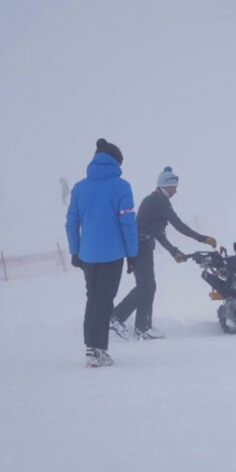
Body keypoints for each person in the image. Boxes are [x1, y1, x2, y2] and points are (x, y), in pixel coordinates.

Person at [111, 166, 217, 340]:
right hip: (140, 247)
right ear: (166, 185)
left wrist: (174, 252)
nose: (176, 191)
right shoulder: (159, 201)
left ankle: (142, 327)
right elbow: (178, 224)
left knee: (148, 286)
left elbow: (159, 233)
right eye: (174, 187)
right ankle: (117, 317)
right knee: (146, 286)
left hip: (141, 246)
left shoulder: (155, 200)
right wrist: (201, 238)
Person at [65, 138, 138, 368]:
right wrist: (132, 254)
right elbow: (128, 223)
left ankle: (92, 348)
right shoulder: (122, 187)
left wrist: (75, 251)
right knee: (105, 300)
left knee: (93, 299)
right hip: (112, 255)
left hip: (88, 255)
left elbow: (71, 222)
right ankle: (97, 351)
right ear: (115, 162)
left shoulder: (80, 188)